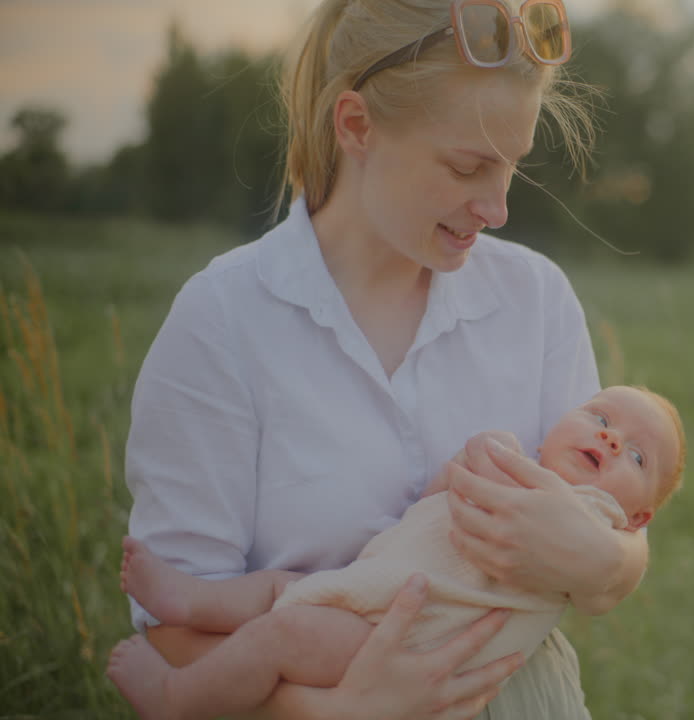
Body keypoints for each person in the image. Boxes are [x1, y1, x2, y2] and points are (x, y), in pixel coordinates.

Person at [121, 0, 653, 717]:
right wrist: (335, 713)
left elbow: (609, 522)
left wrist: (611, 563)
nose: (497, 207)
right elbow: (175, 625)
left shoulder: (536, 298)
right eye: (468, 167)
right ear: (356, 126)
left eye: (512, 167)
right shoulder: (223, 320)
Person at [109, 386, 686, 720]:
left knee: (277, 635)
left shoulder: (596, 514)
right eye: (601, 418)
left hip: (404, 640)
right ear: (558, 427)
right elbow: (438, 498)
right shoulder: (520, 461)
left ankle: (175, 699)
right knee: (277, 587)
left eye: (637, 457)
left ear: (638, 519)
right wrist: (477, 455)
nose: (611, 438)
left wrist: (611, 549)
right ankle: (192, 598)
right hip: (369, 590)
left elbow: (613, 561)